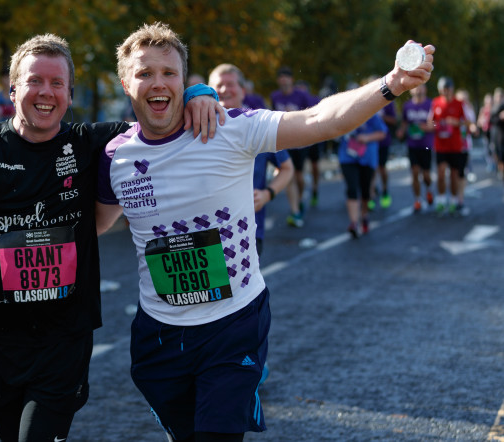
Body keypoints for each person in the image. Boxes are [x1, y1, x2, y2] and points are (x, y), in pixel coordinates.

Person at [0, 34, 222, 441]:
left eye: (57, 84)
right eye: (35, 81)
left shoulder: (93, 144)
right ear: (13, 89)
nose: (46, 93)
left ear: (69, 94)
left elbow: (160, 117)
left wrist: (199, 92)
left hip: (63, 340)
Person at [96, 22, 434, 441]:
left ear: (186, 81)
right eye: (145, 73)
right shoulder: (114, 155)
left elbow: (318, 120)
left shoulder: (229, 128)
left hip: (232, 324)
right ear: (126, 84)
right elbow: (95, 222)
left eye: (169, 73)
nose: (158, 82)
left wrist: (390, 85)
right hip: (158, 335)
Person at [207, 63, 293, 254]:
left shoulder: (257, 125)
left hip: (248, 230)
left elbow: (287, 168)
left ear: (242, 91)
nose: (224, 90)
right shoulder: (196, 127)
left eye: (230, 84)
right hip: (205, 232)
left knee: (245, 284)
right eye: (218, 85)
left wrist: (268, 193)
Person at [270, 66, 312, 227]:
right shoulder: (275, 96)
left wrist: (294, 115)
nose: (283, 80)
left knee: (300, 177)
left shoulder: (301, 95)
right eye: (281, 77)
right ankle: (295, 211)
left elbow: (311, 114)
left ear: (291, 80)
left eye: (286, 77)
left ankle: (300, 199)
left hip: (300, 141)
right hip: (283, 142)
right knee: (290, 176)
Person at [338, 108, 387, 238]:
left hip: (367, 158)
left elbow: (382, 133)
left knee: (365, 192)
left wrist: (366, 137)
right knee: (352, 188)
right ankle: (354, 223)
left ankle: (364, 215)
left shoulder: (370, 113)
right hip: (347, 157)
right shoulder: (343, 114)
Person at [429, 76, 469, 216]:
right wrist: (437, 125)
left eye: (447, 89)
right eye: (442, 90)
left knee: (454, 175)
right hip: (440, 145)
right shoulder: (435, 103)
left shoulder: (459, 103)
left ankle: (453, 200)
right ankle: (440, 199)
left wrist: (455, 122)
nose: (445, 92)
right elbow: (430, 122)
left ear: (452, 90)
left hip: (455, 145)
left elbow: (466, 122)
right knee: (440, 173)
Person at [397, 83, 435, 212]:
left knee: (426, 175)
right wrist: (401, 131)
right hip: (412, 145)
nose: (418, 89)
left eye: (421, 87)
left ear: (425, 89)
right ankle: (417, 200)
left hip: (426, 145)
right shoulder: (407, 106)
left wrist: (426, 127)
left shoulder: (430, 104)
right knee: (414, 173)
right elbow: (404, 123)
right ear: (411, 90)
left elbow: (435, 124)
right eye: (415, 87)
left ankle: (429, 190)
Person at [294, 80, 322, 207]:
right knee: (299, 169)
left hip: (315, 137)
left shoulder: (314, 99)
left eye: (302, 89)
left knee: (315, 165)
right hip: (300, 139)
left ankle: (315, 187)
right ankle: (300, 196)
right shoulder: (294, 100)